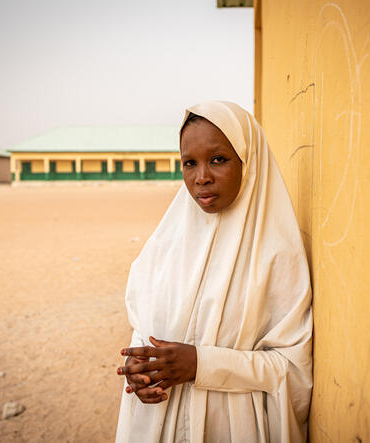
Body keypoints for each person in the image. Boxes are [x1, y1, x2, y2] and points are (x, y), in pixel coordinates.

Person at [115, 101, 313, 442]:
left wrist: (201, 364)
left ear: (248, 161)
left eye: (218, 159)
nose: (201, 177)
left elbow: (292, 371)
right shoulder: (163, 248)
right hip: (157, 425)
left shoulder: (277, 256)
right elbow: (143, 332)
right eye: (189, 163)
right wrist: (140, 373)